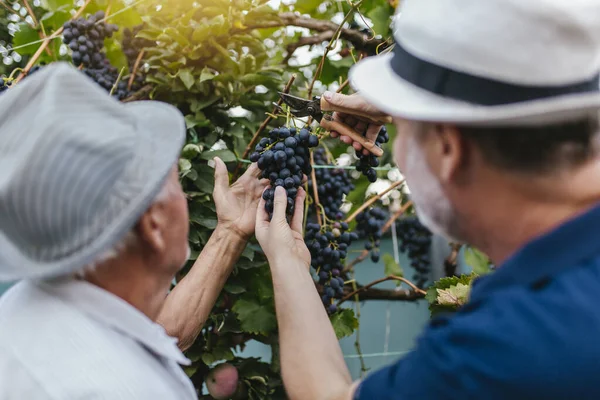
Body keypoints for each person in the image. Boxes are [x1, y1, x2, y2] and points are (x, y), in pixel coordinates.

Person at [254, 0, 600, 399]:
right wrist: (432, 111)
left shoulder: (503, 351)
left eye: (403, 131)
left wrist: (288, 258)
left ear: (450, 149)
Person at [0, 63, 267, 398]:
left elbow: (161, 333)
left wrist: (229, 232)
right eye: (175, 182)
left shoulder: (30, 310)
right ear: (153, 223)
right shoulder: (124, 389)